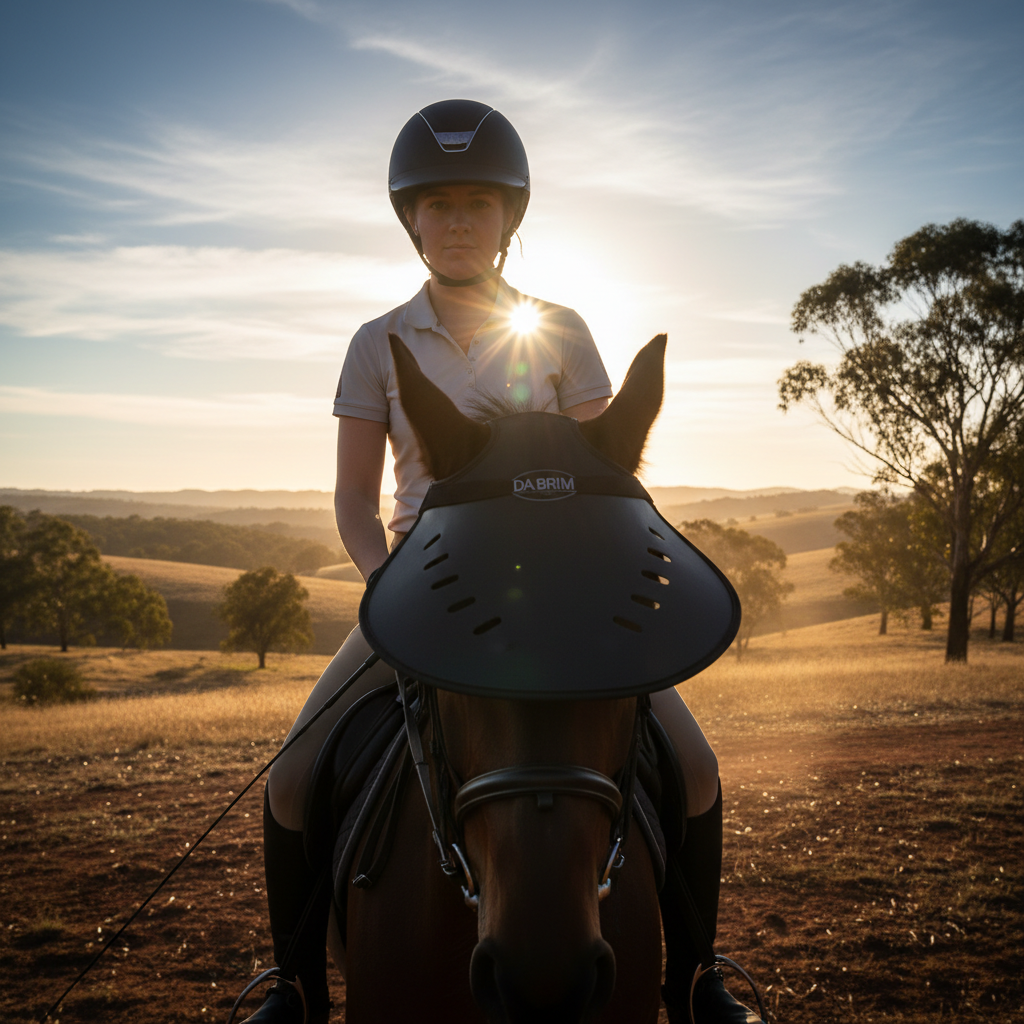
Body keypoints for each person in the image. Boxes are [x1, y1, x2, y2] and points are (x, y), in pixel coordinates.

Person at [247, 99, 763, 1024]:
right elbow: (353, 501)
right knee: (293, 773)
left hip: (563, 593)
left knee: (694, 765)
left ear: (508, 218)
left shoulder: (560, 330)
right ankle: (295, 991)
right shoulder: (376, 343)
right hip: (423, 589)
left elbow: (606, 478)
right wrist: (388, 586)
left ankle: (697, 981)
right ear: (410, 220)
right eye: (437, 204)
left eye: (477, 204)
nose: (457, 223)